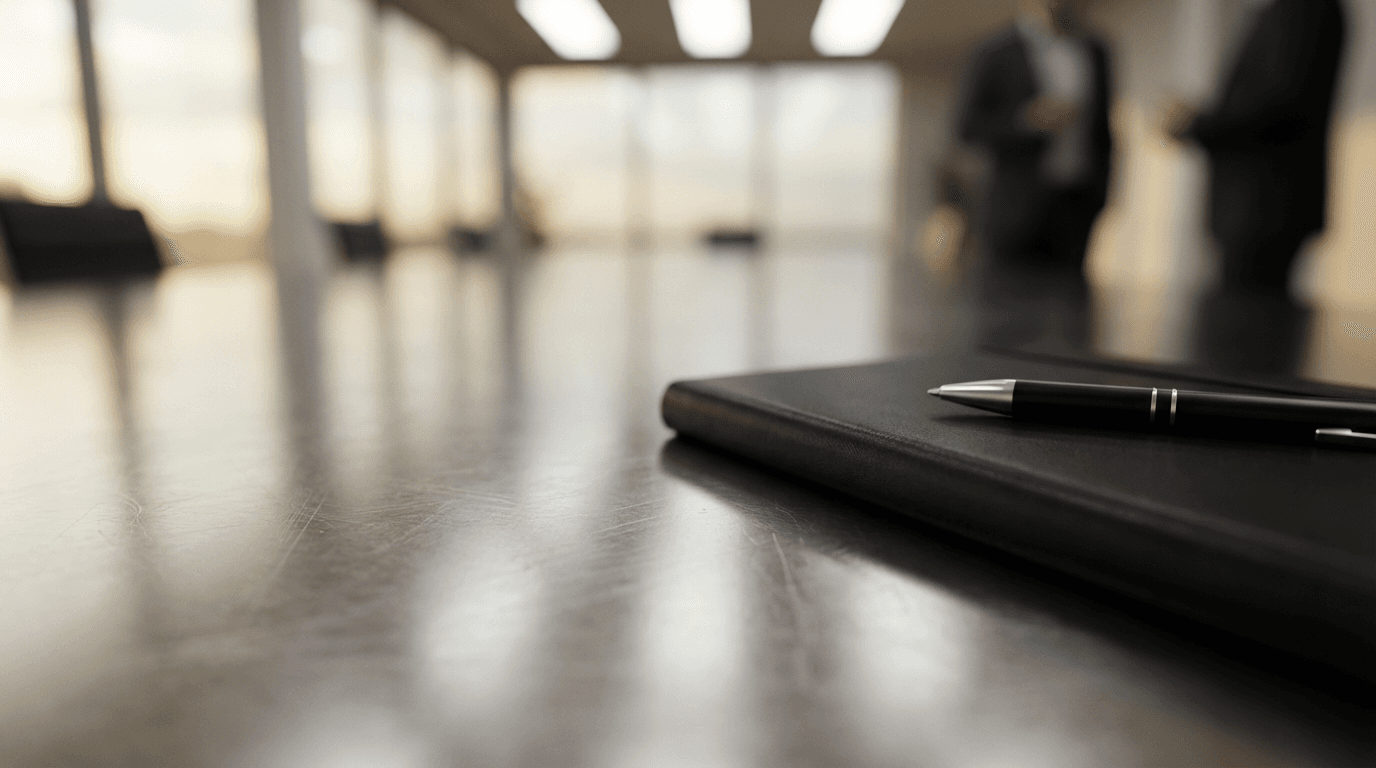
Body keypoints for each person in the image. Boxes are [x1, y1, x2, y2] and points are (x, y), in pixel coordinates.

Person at [1163, 0, 1346, 294]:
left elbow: (1277, 105)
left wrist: (1197, 123)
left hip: (1263, 206)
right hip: (1258, 207)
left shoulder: (1302, 9)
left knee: (1245, 323)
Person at [955, 0, 1113, 276]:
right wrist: (1025, 123)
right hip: (1016, 204)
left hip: (1077, 201)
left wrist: (1103, 196)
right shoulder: (996, 52)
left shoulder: (1096, 51)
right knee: (1008, 303)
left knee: (1070, 301)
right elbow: (967, 127)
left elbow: (1103, 131)